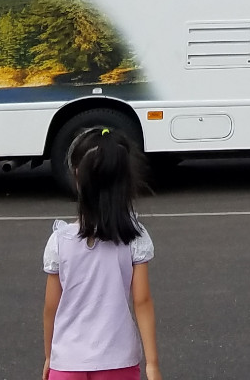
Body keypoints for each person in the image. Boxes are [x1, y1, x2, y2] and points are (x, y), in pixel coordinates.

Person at [42, 125, 161, 380]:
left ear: (76, 176)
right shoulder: (134, 237)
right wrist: (152, 364)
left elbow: (51, 307)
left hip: (67, 362)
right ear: (126, 180)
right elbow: (142, 301)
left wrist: (50, 357)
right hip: (118, 359)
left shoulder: (59, 241)